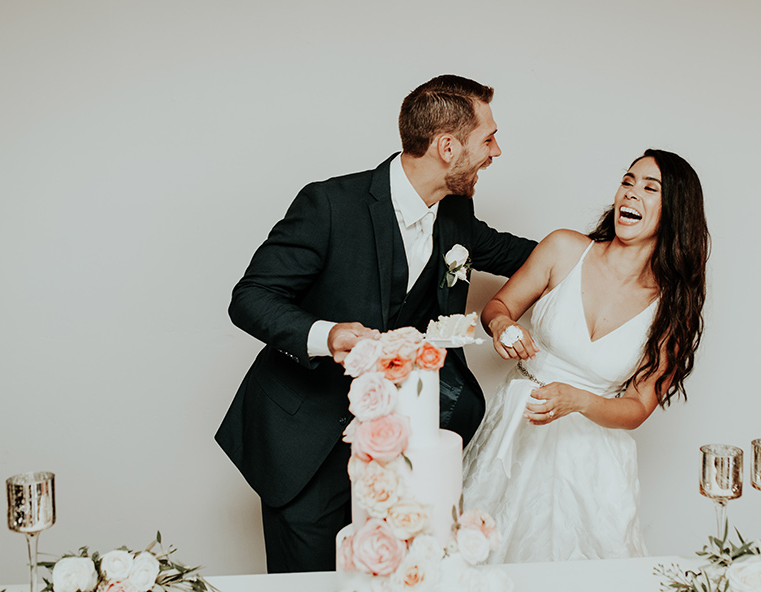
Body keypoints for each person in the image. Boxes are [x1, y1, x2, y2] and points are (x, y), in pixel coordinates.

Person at [215, 75, 537, 573]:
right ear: (447, 147)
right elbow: (251, 297)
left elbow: (527, 256)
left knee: (387, 578)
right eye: (488, 138)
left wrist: (612, 253)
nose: (498, 150)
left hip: (396, 455)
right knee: (306, 586)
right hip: (304, 441)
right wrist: (329, 334)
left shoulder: (455, 216)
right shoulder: (328, 205)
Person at [461, 148, 708, 563]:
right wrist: (503, 326)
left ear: (676, 212)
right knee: (481, 558)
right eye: (627, 181)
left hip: (592, 461)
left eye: (649, 188)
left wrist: (578, 401)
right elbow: (497, 307)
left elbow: (638, 405)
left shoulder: (671, 307)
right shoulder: (563, 249)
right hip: (516, 427)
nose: (630, 194)